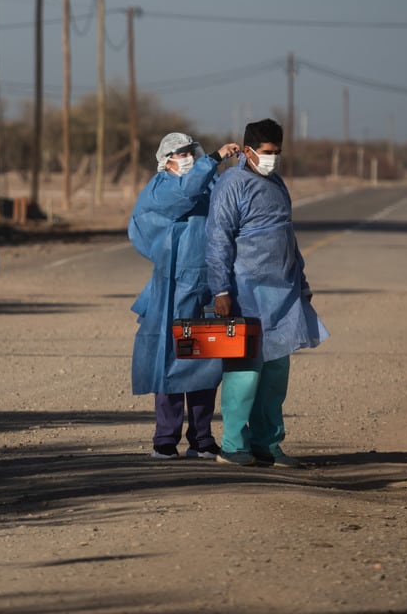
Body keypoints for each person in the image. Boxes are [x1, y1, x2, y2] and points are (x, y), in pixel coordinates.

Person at [206, 118, 328, 468]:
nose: (272, 158)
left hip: (283, 293)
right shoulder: (232, 184)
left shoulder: (277, 184)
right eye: (266, 152)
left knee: (276, 373)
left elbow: (287, 236)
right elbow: (217, 240)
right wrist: (221, 289)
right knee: (245, 372)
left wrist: (301, 282)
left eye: (277, 152)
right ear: (248, 152)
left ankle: (268, 444)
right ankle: (232, 444)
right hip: (244, 292)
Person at [129, 133, 240, 460]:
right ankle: (165, 438)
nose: (189, 156)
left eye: (191, 151)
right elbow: (185, 193)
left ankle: (201, 438)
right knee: (170, 360)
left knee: (206, 363)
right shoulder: (162, 188)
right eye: (181, 153)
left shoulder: (208, 185)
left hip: (208, 286)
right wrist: (214, 158)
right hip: (173, 287)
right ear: (166, 160)